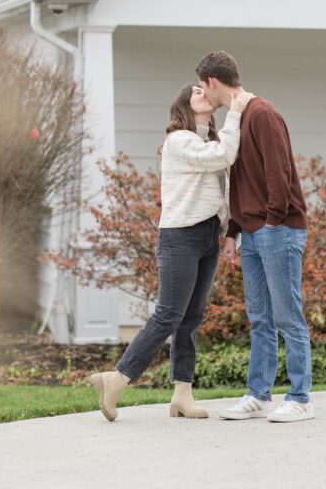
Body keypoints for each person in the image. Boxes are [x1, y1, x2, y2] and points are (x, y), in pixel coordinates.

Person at [90, 82, 253, 422]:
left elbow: (222, 188)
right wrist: (235, 113)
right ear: (183, 105)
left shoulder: (209, 140)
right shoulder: (179, 141)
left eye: (204, 90)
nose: (203, 93)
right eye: (195, 91)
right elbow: (223, 157)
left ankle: (182, 393)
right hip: (179, 235)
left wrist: (226, 233)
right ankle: (117, 379)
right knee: (169, 314)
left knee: (192, 317)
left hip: (207, 234)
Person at [196, 50, 314, 423]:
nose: (203, 95)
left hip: (277, 229)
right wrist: (234, 231)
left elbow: (279, 172)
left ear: (214, 83)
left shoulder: (261, 114)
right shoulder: (235, 120)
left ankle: (300, 398)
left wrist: (272, 222)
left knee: (287, 316)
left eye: (203, 87)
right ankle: (258, 394)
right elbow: (238, 183)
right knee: (260, 317)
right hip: (251, 232)